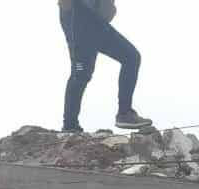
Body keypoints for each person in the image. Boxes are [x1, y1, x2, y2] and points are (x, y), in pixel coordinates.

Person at [58, 0, 152, 133]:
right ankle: (69, 125)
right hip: (78, 17)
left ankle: (124, 114)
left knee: (131, 57)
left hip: (95, 20)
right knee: (80, 73)